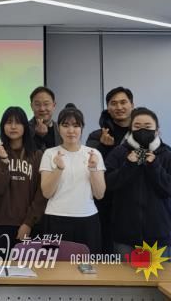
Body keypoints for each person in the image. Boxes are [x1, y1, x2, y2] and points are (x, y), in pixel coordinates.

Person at [105, 107, 171, 259]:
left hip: (158, 236)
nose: (142, 131)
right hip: (124, 236)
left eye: (147, 127)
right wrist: (129, 165)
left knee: (158, 275)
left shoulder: (167, 155)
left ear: (157, 131)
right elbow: (108, 183)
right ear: (131, 130)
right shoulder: (119, 153)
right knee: (124, 275)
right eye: (137, 127)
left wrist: (154, 166)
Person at [39, 104, 105, 254]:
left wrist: (93, 168)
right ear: (59, 128)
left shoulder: (93, 154)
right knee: (56, 265)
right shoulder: (50, 154)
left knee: (88, 265)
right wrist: (59, 168)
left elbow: (100, 194)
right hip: (55, 218)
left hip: (87, 218)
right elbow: (47, 193)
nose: (71, 130)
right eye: (65, 125)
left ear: (82, 128)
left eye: (76, 125)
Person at [0, 107, 46, 253]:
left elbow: (41, 193)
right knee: (0, 267)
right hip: (1, 222)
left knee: (28, 267)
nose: (13, 126)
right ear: (3, 126)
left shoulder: (37, 155)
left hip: (29, 224)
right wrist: (3, 161)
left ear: (25, 126)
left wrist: (28, 223)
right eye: (9, 122)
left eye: (18, 122)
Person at [86, 86, 134, 254]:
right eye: (113, 103)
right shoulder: (97, 135)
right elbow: (90, 165)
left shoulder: (142, 134)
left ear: (132, 104)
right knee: (107, 256)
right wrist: (103, 147)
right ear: (108, 107)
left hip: (134, 203)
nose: (119, 107)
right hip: (105, 206)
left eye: (123, 102)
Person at [29, 86, 62, 150]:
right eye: (37, 104)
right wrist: (38, 137)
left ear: (54, 105)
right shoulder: (25, 128)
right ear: (32, 106)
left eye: (46, 104)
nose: (42, 109)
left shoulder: (60, 129)